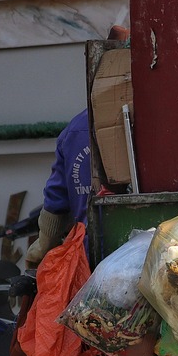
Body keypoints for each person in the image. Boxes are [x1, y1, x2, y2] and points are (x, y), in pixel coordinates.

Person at [24, 23, 129, 268]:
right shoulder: (151, 122)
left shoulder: (75, 130)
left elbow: (55, 205)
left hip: (89, 266)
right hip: (140, 259)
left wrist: (39, 251)